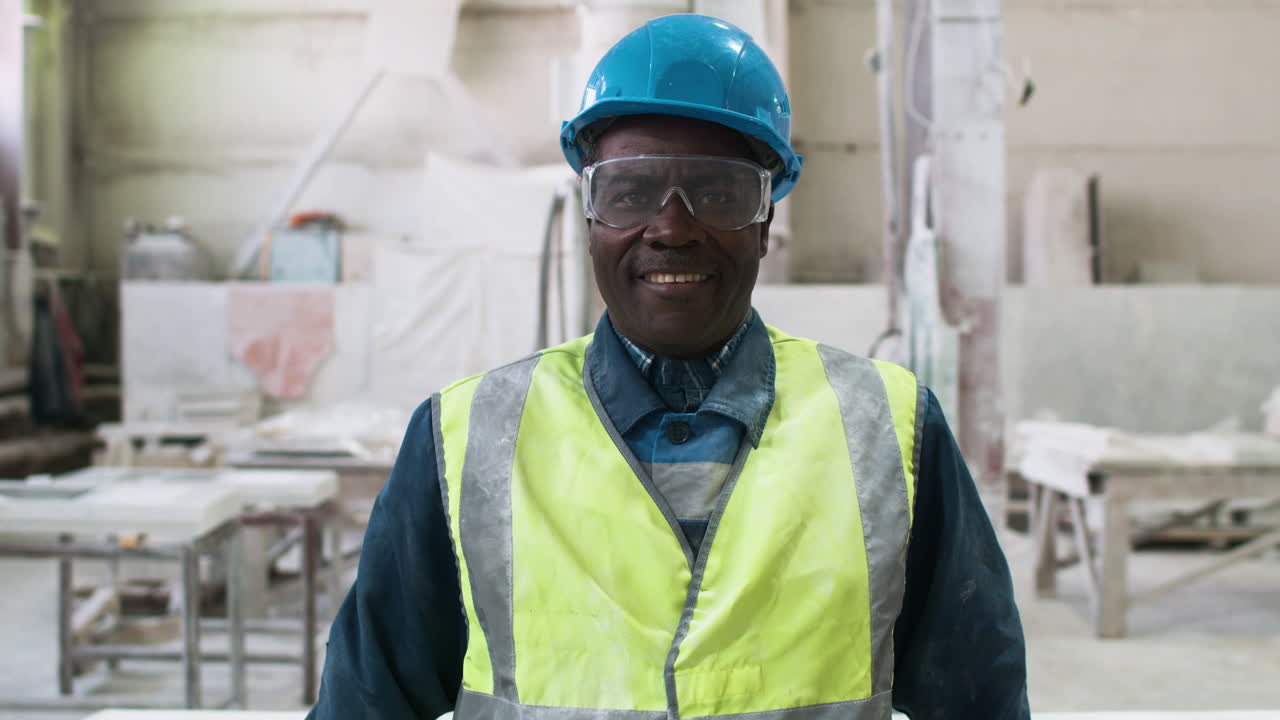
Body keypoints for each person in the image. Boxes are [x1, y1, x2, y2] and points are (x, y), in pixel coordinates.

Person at [310, 13, 1029, 720]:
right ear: (591, 218)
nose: (672, 227)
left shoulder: (890, 432)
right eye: (629, 192)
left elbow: (981, 700)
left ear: (766, 218)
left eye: (718, 193)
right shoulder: (465, 441)